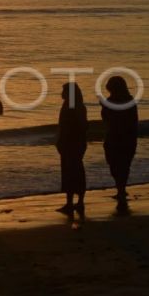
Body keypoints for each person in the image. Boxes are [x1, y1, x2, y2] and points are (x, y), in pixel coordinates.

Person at [101, 75, 138, 213]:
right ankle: (121, 188)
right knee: (123, 164)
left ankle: (120, 189)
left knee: (115, 164)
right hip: (128, 137)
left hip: (115, 137)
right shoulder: (129, 100)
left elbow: (106, 119)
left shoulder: (111, 101)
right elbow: (133, 121)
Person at [56, 82, 88, 218]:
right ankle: (79, 202)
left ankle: (70, 203)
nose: (61, 93)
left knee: (69, 171)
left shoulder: (70, 107)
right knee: (77, 170)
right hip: (77, 143)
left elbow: (67, 127)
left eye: (63, 91)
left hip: (70, 143)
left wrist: (61, 141)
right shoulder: (79, 106)